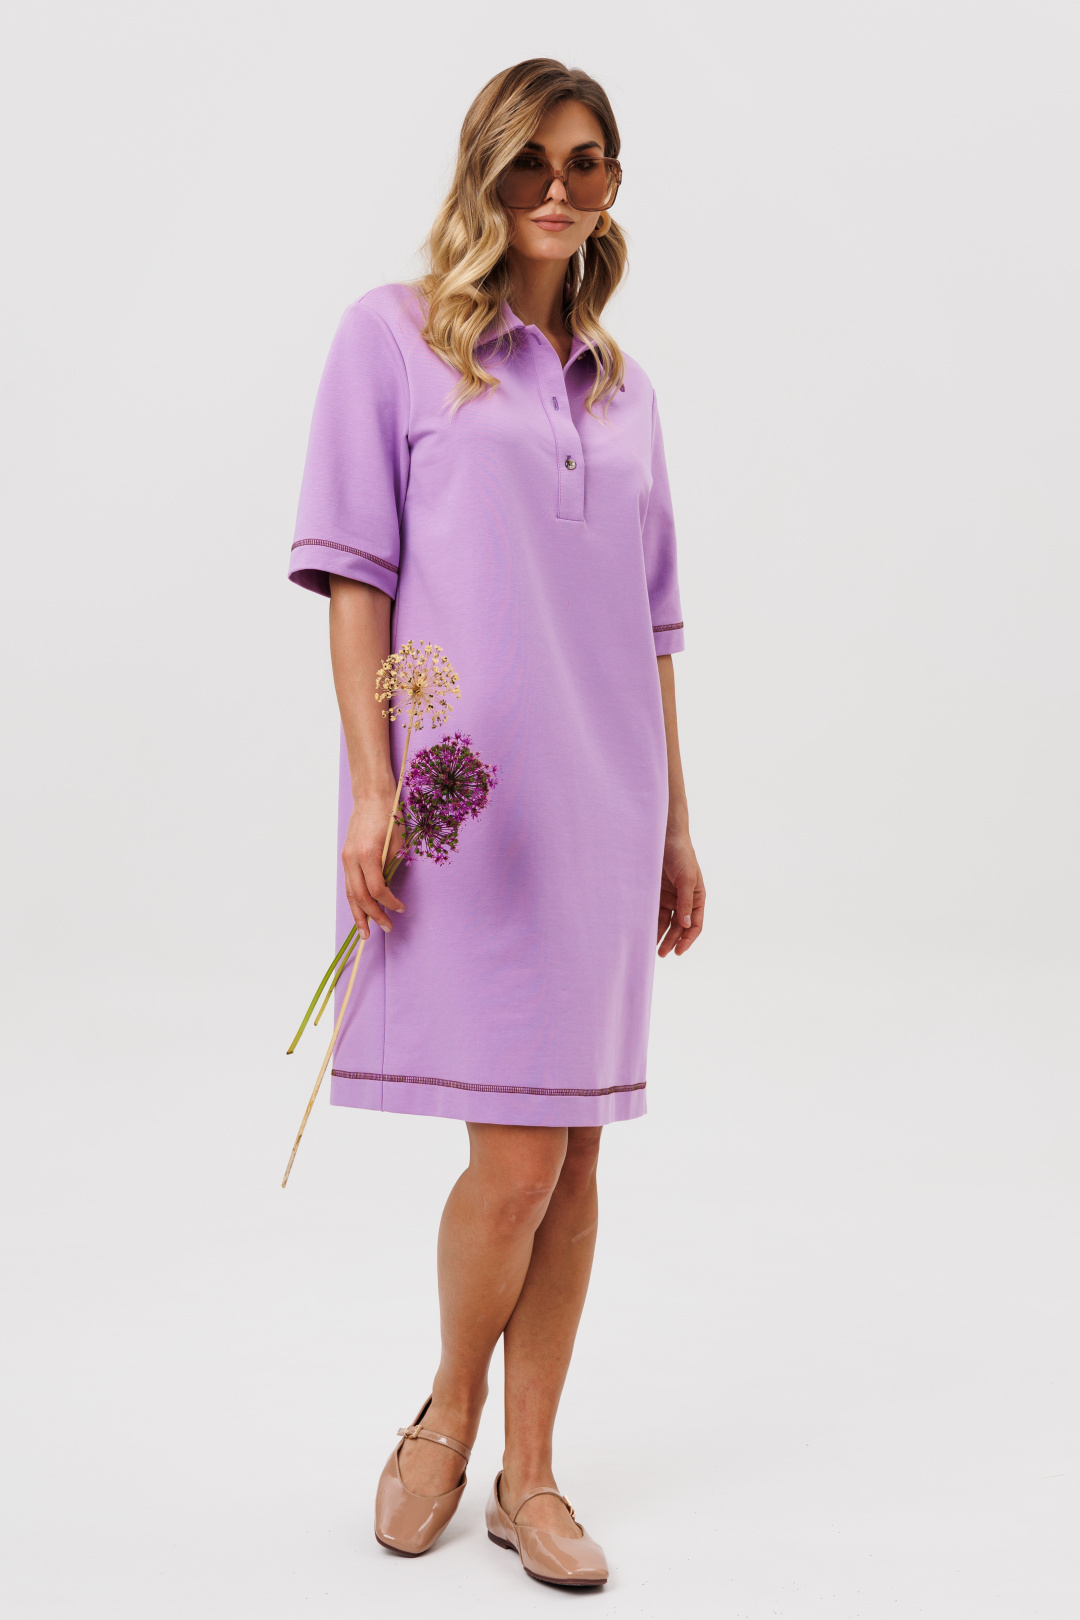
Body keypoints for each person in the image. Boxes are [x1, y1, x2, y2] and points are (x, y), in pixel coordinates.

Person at [287, 57, 705, 1588]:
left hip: (607, 808)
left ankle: (532, 1478)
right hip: (468, 814)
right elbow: (356, 577)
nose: (558, 188)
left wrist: (677, 825)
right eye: (532, 159)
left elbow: (654, 630)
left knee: (576, 1162)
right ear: (485, 169)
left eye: (587, 162)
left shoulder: (628, 392)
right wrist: (372, 782)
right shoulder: (391, 339)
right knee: (517, 1164)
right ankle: (448, 1415)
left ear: (611, 186)